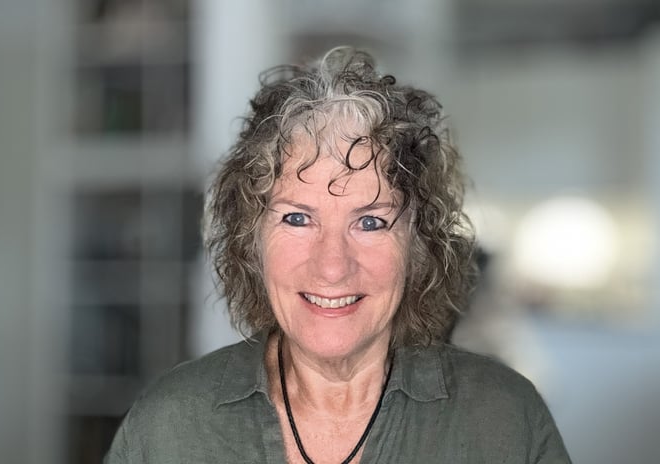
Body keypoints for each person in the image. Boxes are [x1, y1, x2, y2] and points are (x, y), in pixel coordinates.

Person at [104, 47, 571, 464]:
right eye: (297, 218)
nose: (332, 266)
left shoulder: (505, 421)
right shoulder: (167, 428)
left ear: (419, 245)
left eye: (370, 222)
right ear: (252, 242)